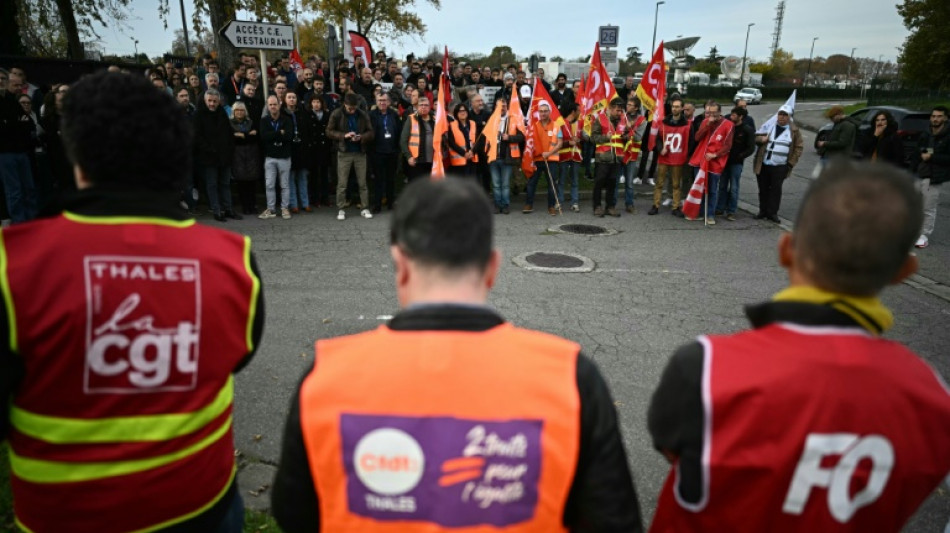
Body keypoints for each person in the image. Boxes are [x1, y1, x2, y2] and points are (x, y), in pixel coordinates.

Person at [271, 177, 644, 533]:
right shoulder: (570, 379)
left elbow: (294, 514)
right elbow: (613, 520)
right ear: (492, 268)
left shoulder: (325, 377)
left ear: (400, 264)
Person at [0, 70, 264, 533]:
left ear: (76, 154)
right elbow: (235, 357)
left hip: (69, 516)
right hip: (204, 504)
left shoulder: (13, 264)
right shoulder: (234, 259)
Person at [648, 161, 950, 532]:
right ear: (905, 271)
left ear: (786, 249)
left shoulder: (705, 366)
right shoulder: (933, 401)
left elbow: (671, 446)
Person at [327, 92, 375, 221]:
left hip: (360, 152)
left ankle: (365, 208)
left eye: (354, 108)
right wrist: (344, 135)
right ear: (344, 104)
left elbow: (371, 132)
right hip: (344, 152)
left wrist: (361, 137)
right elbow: (329, 131)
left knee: (362, 183)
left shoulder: (362, 114)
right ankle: (341, 209)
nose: (352, 111)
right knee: (342, 183)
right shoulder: (337, 114)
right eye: (350, 108)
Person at [753, 104, 804, 223]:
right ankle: (762, 211)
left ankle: (772, 213)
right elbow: (755, 138)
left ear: (789, 117)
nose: (782, 117)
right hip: (764, 164)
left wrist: (790, 163)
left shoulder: (794, 131)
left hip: (780, 166)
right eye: (780, 114)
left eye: (785, 115)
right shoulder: (769, 126)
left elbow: (799, 147)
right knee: (763, 189)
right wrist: (761, 139)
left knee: (776, 190)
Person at [194, 89, 240, 221]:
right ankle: (217, 211)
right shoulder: (199, 115)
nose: (212, 104)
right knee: (212, 184)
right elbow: (197, 136)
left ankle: (228, 209)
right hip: (209, 157)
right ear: (205, 100)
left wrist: (230, 149)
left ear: (219, 101)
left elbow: (229, 133)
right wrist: (210, 149)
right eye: (209, 101)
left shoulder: (222, 113)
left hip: (224, 156)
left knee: (225, 183)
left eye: (214, 101)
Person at [0, 69, 37, 223]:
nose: (1, 81)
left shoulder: (12, 100)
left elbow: (28, 123)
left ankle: (31, 221)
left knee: (29, 188)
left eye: (3, 78)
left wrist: (11, 123)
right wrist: (16, 123)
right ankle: (19, 223)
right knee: (14, 191)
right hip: (5, 153)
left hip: (21, 151)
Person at [913, 105, 949, 249]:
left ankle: (924, 235)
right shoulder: (926, 133)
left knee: (928, 206)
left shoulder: (948, 135)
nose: (935, 119)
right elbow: (918, 151)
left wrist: (932, 157)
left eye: (939, 116)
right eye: (933, 116)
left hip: (933, 176)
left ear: (945, 118)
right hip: (919, 173)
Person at [649, 97, 690, 217]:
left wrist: (686, 156)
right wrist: (660, 148)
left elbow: (690, 142)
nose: (674, 109)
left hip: (678, 158)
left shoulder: (687, 125)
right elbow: (658, 139)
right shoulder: (664, 122)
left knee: (676, 184)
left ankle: (675, 207)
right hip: (664, 157)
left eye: (677, 107)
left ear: (682, 108)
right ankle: (655, 205)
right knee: (659, 183)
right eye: (673, 106)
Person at [591, 98, 630, 217]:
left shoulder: (623, 121)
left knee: (612, 183)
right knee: (599, 182)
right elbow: (593, 138)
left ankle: (610, 207)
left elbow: (623, 138)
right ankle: (597, 206)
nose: (620, 113)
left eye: (621, 110)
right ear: (610, 108)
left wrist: (626, 136)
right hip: (603, 157)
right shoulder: (600, 119)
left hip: (617, 157)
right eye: (617, 110)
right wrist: (605, 137)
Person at [485, 97, 524, 214]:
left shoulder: (513, 119)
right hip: (493, 157)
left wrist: (509, 137)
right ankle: (497, 205)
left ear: (507, 106)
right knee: (496, 184)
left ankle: (506, 205)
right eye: (499, 106)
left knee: (505, 184)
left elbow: (522, 137)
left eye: (504, 105)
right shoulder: (491, 119)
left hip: (507, 157)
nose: (502, 108)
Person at [716, 106, 756, 221]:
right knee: (722, 185)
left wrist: (740, 156)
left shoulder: (747, 130)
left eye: (734, 115)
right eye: (731, 114)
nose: (731, 116)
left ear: (740, 117)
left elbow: (751, 148)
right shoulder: (728, 127)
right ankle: (720, 208)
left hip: (736, 163)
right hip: (725, 161)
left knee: (734, 187)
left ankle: (731, 211)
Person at [259, 94, 295, 220]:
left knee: (284, 185)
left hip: (284, 157)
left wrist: (272, 135)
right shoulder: (264, 120)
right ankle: (271, 209)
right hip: (270, 157)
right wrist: (279, 132)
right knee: (269, 184)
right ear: (267, 106)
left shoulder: (287, 120)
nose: (273, 106)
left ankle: (285, 208)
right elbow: (264, 137)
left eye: (275, 104)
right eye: (270, 105)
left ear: (279, 105)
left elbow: (289, 136)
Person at [524, 102, 563, 215]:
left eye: (545, 111)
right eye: (541, 111)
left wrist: (549, 153)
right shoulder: (533, 126)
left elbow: (560, 143)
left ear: (549, 112)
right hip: (537, 159)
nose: (543, 113)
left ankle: (551, 206)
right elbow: (529, 143)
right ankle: (528, 204)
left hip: (552, 160)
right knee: (531, 183)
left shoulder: (556, 125)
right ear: (538, 113)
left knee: (552, 184)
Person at [369, 93, 402, 212]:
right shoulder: (371, 115)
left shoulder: (394, 114)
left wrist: (397, 148)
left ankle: (390, 203)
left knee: (391, 179)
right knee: (378, 180)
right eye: (380, 100)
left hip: (392, 152)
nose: (382, 102)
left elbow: (399, 130)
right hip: (377, 152)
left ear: (388, 102)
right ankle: (377, 205)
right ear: (376, 102)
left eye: (384, 100)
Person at [230, 101, 261, 215]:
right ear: (233, 112)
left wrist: (241, 136)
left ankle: (253, 205)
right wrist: (247, 136)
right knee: (241, 183)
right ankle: (245, 206)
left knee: (252, 183)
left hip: (252, 155)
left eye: (242, 110)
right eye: (237, 110)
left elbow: (255, 138)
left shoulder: (251, 122)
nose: (239, 112)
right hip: (238, 156)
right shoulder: (229, 123)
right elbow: (232, 140)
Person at [283, 92, 312, 214]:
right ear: (285, 99)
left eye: (294, 97)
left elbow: (308, 131)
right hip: (289, 150)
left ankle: (305, 203)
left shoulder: (303, 113)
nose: (292, 99)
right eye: (289, 97)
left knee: (303, 178)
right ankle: (293, 204)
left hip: (302, 150)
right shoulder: (282, 114)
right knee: (290, 178)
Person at [618, 96, 647, 214]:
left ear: (636, 108)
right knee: (615, 181)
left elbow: (638, 137)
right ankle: (612, 205)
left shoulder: (642, 120)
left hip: (631, 155)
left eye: (630, 105)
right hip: (619, 152)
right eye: (627, 104)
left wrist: (630, 129)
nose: (627, 106)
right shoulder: (621, 117)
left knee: (629, 183)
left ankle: (629, 204)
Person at [305, 94, 332, 208]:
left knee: (325, 174)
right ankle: (314, 198)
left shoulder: (327, 114)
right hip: (312, 148)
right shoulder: (307, 115)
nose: (316, 104)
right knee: (313, 175)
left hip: (324, 148)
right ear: (311, 103)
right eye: (314, 102)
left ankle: (325, 198)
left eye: (318, 102)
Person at [400, 96, 436, 181]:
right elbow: (403, 140)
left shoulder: (434, 119)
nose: (423, 107)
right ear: (417, 107)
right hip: (416, 160)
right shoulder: (411, 118)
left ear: (429, 107)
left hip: (432, 160)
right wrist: (408, 156)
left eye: (426, 105)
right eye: (421, 105)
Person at [557, 104, 582, 212]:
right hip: (563, 156)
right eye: (578, 110)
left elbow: (585, 137)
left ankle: (574, 203)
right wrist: (568, 143)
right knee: (561, 181)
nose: (580, 112)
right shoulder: (560, 123)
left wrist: (580, 139)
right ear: (573, 112)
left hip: (576, 156)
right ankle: (559, 203)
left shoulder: (579, 123)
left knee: (575, 181)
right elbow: (555, 142)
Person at [445, 103, 478, 178]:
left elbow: (478, 140)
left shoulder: (473, 123)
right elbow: (451, 143)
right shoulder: (452, 125)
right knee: (461, 182)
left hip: (472, 158)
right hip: (459, 161)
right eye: (460, 111)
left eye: (464, 110)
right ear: (456, 113)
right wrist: (464, 153)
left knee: (472, 181)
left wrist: (472, 151)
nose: (462, 113)